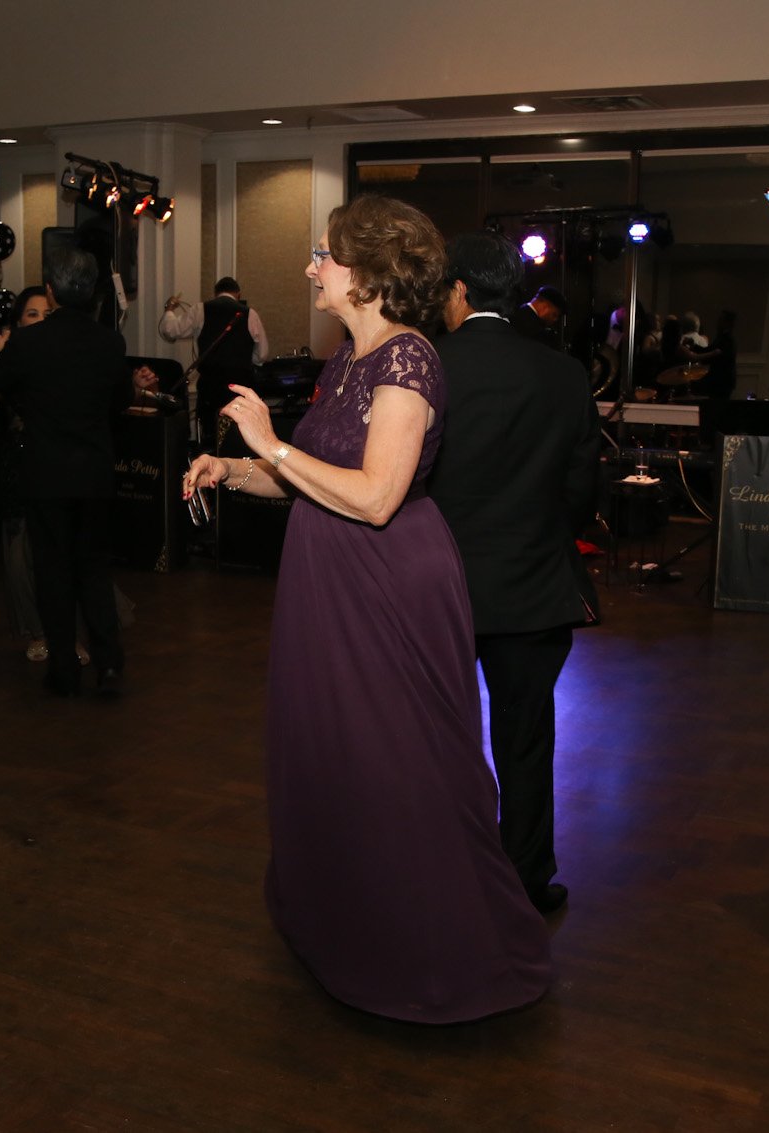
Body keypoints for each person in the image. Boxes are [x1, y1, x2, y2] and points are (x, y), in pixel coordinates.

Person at [183, 197, 551, 1023]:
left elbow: (379, 495)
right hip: (330, 577)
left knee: (401, 766)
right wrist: (231, 468)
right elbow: (314, 475)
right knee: (339, 755)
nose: (311, 267)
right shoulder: (350, 358)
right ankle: (347, 927)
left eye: (323, 254)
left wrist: (270, 442)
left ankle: (438, 953)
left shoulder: (409, 359)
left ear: (371, 270)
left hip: (387, 583)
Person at [429, 230, 602, 916]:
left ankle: (443, 870)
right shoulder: (564, 374)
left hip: (439, 587)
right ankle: (527, 878)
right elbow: (581, 492)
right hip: (534, 585)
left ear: (458, 290)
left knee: (436, 735)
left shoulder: (428, 368)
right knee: (526, 738)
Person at [0, 248, 139, 698]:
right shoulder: (109, 342)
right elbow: (122, 401)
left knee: (53, 572)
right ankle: (108, 664)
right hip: (95, 476)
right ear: (93, 292)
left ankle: (64, 670)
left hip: (46, 476)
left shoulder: (29, 343)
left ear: (51, 291)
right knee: (94, 571)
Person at [0, 285, 85, 665]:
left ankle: (70, 636)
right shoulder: (10, 360)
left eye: (47, 315)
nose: (40, 321)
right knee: (21, 559)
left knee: (61, 555)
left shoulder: (65, 358)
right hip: (19, 467)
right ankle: (38, 632)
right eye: (32, 314)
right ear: (18, 323)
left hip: (60, 466)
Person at [158, 276, 269, 449]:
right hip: (239, 386)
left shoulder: (200, 309)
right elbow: (261, 355)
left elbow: (171, 330)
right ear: (238, 294)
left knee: (209, 430)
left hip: (210, 385)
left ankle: (209, 455)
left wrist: (169, 310)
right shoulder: (250, 313)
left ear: (216, 293)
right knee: (237, 433)